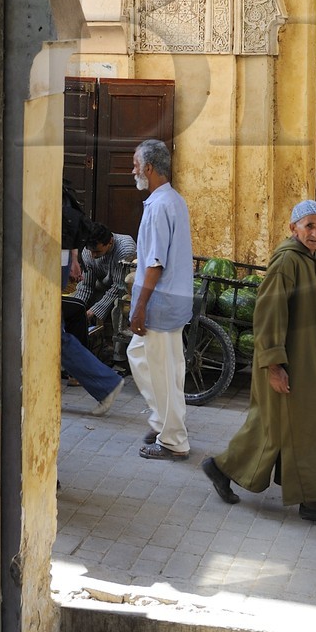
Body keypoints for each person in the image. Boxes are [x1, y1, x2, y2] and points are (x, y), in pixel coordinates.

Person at [201, 201, 316, 526]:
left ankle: (221, 468)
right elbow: (268, 315)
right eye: (309, 226)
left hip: (304, 362)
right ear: (293, 228)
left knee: (272, 429)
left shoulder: (308, 260)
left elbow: (311, 318)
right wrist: (273, 366)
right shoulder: (286, 262)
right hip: (286, 364)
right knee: (312, 428)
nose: (315, 233)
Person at [128, 139, 194, 461]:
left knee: (165, 372)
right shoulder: (174, 200)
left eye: (136, 165)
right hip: (174, 299)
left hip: (162, 302)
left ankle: (173, 440)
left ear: (150, 169)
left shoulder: (158, 206)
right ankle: (161, 420)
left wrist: (139, 306)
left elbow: (155, 263)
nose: (133, 171)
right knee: (142, 356)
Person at [72, 222, 138, 332]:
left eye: (97, 251)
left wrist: (93, 312)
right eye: (91, 251)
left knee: (119, 308)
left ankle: (117, 348)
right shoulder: (87, 252)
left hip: (125, 289)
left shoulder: (124, 249)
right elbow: (86, 286)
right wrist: (77, 309)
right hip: (102, 285)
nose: (93, 256)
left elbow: (119, 286)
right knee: (72, 304)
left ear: (110, 242)